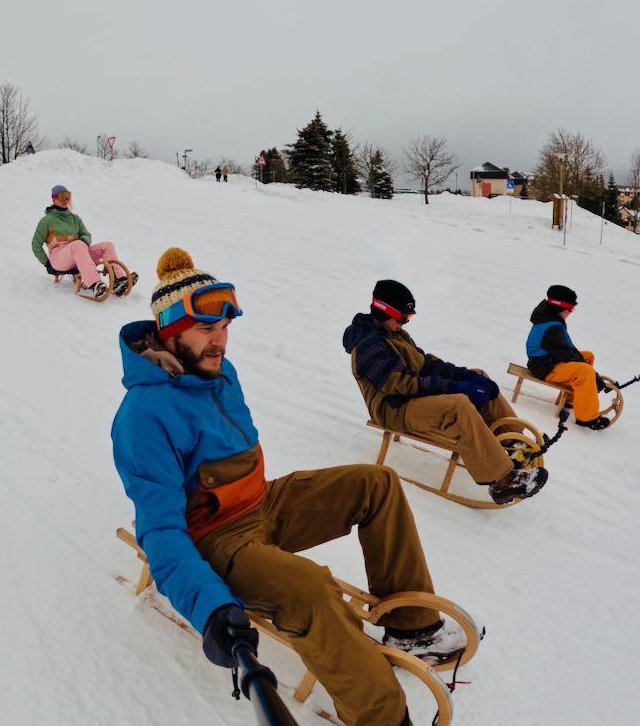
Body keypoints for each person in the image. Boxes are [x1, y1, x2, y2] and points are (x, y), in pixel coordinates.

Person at [113, 249, 464, 726]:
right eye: (206, 328)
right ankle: (383, 718)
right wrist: (212, 609)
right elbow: (161, 534)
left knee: (376, 483)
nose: (220, 342)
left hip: (263, 503)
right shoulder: (142, 417)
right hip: (217, 539)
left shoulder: (219, 373)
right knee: (312, 588)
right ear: (169, 330)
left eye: (225, 327)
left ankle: (412, 629)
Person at [343, 280, 548, 504]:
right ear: (384, 311)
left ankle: (515, 444)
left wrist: (465, 376)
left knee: (479, 377)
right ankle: (502, 481)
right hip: (393, 409)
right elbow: (402, 384)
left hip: (411, 400)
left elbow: (426, 364)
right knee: (458, 406)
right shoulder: (368, 346)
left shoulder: (397, 335)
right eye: (402, 317)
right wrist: (453, 387)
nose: (405, 323)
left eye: (408, 318)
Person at [526, 285, 610, 430]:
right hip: (545, 367)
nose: (571, 312)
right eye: (570, 308)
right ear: (558, 306)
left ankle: (571, 399)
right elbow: (567, 353)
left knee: (587, 357)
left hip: (549, 360)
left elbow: (567, 348)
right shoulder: (551, 326)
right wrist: (595, 377)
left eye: (573, 308)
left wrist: (590, 371)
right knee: (585, 371)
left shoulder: (550, 317)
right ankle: (587, 418)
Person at [31, 184, 136, 298]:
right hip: (59, 259)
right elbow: (36, 244)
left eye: (68, 195)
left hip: (79, 254)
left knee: (107, 246)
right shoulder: (47, 220)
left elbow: (86, 234)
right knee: (78, 244)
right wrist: (47, 264)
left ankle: (119, 280)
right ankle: (94, 283)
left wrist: (84, 241)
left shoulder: (75, 218)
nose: (65, 199)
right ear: (54, 199)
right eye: (62, 196)